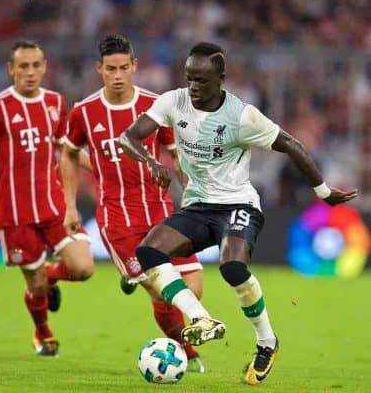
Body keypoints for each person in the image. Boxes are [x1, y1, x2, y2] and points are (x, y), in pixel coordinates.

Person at [119, 42, 358, 385]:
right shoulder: (174, 101)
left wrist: (322, 192)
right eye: (189, 79)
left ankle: (267, 342)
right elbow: (129, 137)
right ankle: (202, 320)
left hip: (238, 204)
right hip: (199, 205)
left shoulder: (243, 117)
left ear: (221, 79)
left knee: (232, 267)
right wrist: (151, 162)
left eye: (201, 80)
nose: (194, 88)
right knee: (148, 251)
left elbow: (291, 145)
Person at [60, 34, 208, 373]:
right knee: (162, 293)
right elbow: (68, 153)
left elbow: (176, 154)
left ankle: (135, 282)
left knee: (193, 289)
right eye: (110, 68)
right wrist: (70, 206)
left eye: (123, 68)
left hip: (161, 214)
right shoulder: (83, 111)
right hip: (118, 220)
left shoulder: (157, 106)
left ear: (134, 66)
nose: (116, 75)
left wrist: (193, 186)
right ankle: (186, 351)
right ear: (99, 68)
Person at [0, 40, 94, 357]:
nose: (30, 72)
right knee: (35, 289)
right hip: (15, 212)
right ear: (12, 69)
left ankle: (48, 275)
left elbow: (67, 148)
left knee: (84, 268)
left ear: (45, 66)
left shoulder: (55, 102)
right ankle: (43, 334)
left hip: (54, 205)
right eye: (23, 66)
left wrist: (104, 169)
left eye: (36, 65)